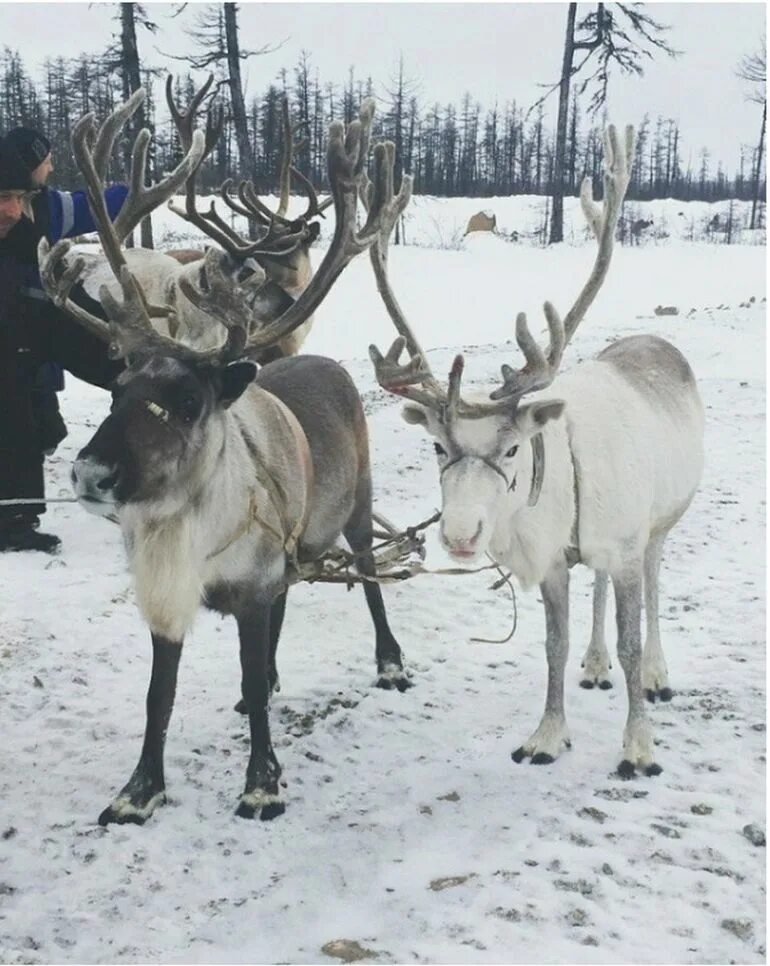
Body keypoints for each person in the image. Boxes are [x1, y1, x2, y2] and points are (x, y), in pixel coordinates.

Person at [0, 136, 128, 554]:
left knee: (22, 401)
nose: (13, 210)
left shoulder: (23, 243)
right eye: (2, 197)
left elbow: (58, 312)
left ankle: (14, 517)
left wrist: (126, 359)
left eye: (19, 197)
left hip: (16, 361)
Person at [5, 127, 67, 460]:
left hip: (35, 344)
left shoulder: (47, 207)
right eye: (47, 160)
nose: (52, 168)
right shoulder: (45, 210)